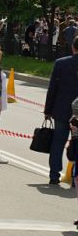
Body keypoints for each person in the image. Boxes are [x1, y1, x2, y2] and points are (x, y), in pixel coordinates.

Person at [45, 35, 78, 184]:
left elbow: (53, 89)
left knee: (58, 142)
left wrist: (48, 110)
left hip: (61, 110)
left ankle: (54, 174)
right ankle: (75, 177)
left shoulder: (61, 63)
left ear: (73, 47)